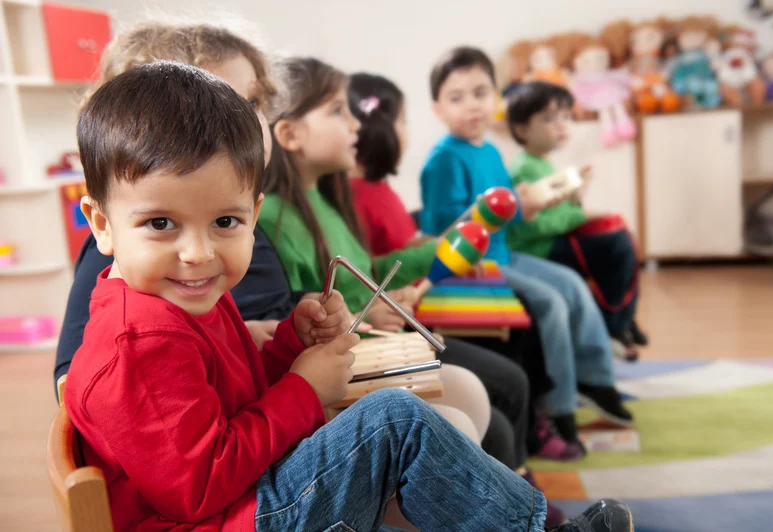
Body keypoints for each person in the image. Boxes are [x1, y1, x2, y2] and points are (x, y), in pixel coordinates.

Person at [65, 60, 633, 532]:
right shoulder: (140, 340)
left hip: (244, 502)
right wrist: (303, 388)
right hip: (227, 519)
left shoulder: (177, 299)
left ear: (253, 216)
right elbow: (199, 487)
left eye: (225, 222)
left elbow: (233, 402)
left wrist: (291, 344)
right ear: (102, 223)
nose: (198, 253)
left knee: (407, 418)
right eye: (161, 223)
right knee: (394, 420)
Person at [257, 56, 558, 501]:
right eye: (339, 110)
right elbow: (303, 316)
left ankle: (520, 493)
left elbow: (368, 272)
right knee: (499, 393)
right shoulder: (276, 218)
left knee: (504, 380)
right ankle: (516, 497)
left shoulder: (325, 198)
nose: (356, 124)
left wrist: (435, 252)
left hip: (383, 335)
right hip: (363, 352)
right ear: (290, 134)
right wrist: (363, 311)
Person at [348, 71, 583, 464]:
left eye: (479, 92)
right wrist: (450, 242)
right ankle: (530, 438)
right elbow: (382, 264)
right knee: (518, 336)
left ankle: (538, 422)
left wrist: (452, 239)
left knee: (525, 325)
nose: (408, 132)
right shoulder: (363, 193)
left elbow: (410, 243)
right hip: (408, 308)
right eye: (404, 122)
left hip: (418, 291)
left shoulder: (381, 189)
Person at [53, 22, 299, 393]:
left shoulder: (224, 212)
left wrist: (282, 332)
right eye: (221, 103)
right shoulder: (126, 249)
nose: (247, 121)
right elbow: (74, 380)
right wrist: (303, 387)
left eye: (252, 103)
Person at [418, 46, 633, 446]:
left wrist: (541, 199)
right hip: (475, 265)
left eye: (481, 93)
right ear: (438, 109)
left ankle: (595, 379)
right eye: (456, 97)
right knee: (551, 302)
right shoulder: (444, 160)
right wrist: (513, 205)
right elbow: (445, 231)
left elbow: (510, 209)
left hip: (503, 254)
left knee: (571, 284)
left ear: (496, 98)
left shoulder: (491, 150)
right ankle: (559, 405)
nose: (472, 106)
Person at [505, 81, 647, 359]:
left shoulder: (542, 163)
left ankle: (621, 318)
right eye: (549, 118)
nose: (561, 125)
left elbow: (555, 213)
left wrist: (576, 197)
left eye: (566, 117)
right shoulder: (524, 168)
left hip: (551, 242)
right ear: (522, 129)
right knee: (617, 244)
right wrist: (580, 213)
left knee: (620, 237)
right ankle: (614, 324)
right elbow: (535, 226)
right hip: (537, 250)